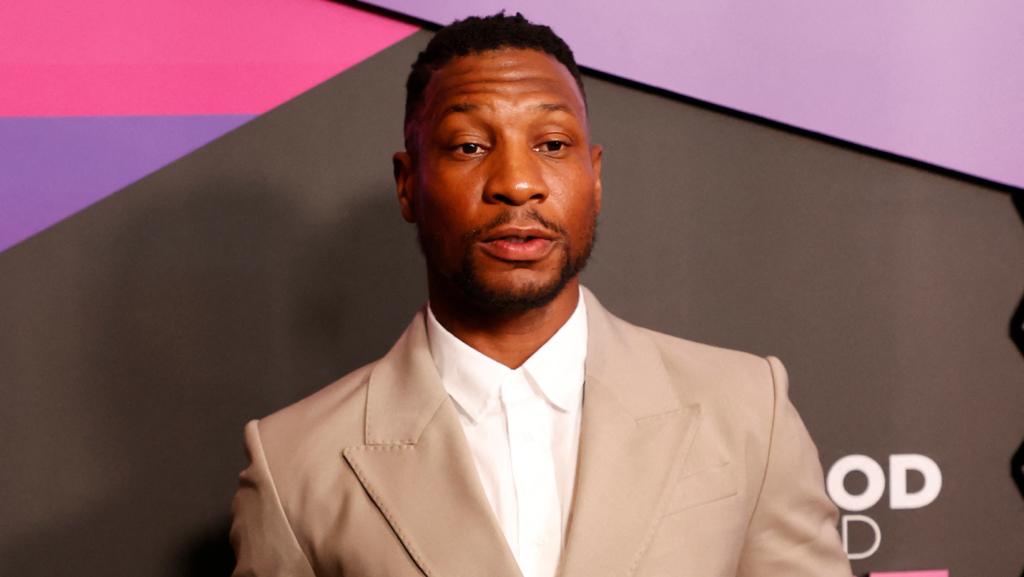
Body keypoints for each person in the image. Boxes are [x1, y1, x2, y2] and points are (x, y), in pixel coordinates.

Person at [229, 12, 852, 577]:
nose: (518, 183)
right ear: (408, 185)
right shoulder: (293, 466)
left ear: (595, 175)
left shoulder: (748, 412)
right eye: (471, 146)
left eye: (552, 145)